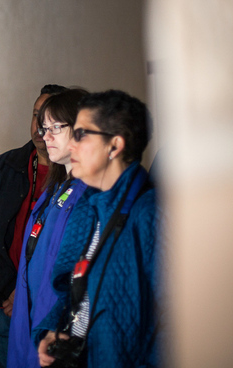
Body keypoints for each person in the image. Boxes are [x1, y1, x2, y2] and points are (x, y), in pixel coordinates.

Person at [34, 90, 159, 368]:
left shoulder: (151, 213)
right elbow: (72, 285)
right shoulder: (89, 207)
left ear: (114, 146)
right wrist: (54, 329)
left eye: (81, 135)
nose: (73, 146)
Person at [0, 84, 67, 368]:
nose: (39, 127)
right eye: (36, 116)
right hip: (5, 304)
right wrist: (10, 289)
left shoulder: (75, 174)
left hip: (49, 308)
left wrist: (30, 295)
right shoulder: (6, 166)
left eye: (49, 121)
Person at [7, 88, 94, 368]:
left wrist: (55, 327)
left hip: (58, 328)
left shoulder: (91, 195)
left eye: (56, 127)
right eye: (45, 128)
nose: (46, 136)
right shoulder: (54, 191)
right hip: (30, 323)